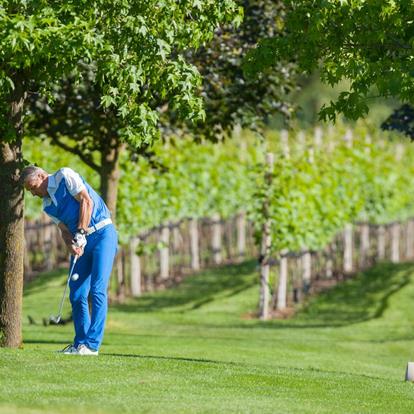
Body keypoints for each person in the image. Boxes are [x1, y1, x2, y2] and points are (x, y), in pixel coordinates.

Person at [21, 165, 118, 356]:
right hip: (82, 244)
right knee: (76, 293)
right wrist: (71, 244)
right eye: (29, 191)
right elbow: (64, 231)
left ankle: (92, 345)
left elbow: (86, 201)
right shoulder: (47, 205)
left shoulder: (65, 176)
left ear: (41, 176)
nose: (33, 193)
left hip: (102, 234)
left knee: (98, 289)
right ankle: (80, 343)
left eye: (33, 187)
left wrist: (81, 232)